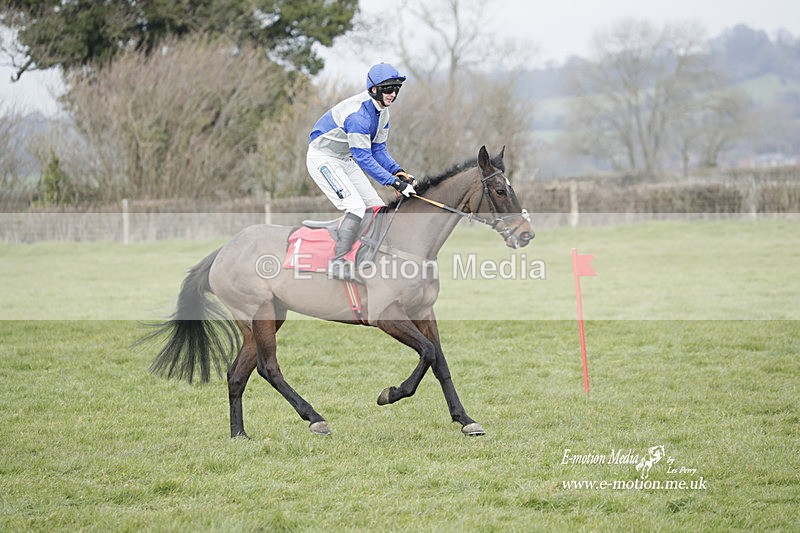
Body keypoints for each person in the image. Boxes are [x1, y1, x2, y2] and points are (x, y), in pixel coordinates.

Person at [306, 62, 418, 280]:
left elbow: (378, 150)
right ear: (374, 89)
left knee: (376, 208)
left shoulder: (382, 113)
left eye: (396, 89)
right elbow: (364, 158)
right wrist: (393, 183)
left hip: (345, 158)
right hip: (323, 158)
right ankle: (337, 262)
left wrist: (399, 172)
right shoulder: (359, 117)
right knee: (356, 207)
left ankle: (365, 256)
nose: (393, 94)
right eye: (388, 88)